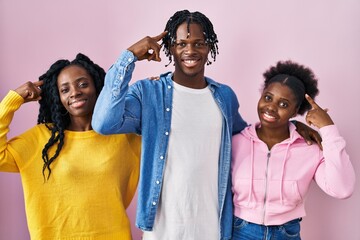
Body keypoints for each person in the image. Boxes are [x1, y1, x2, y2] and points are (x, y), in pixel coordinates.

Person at [92, 10, 320, 240]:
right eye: (181, 43)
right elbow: (104, 122)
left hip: (213, 228)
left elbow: (248, 135)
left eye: (198, 43)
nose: (190, 50)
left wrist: (292, 126)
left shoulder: (224, 97)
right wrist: (129, 56)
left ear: (209, 47)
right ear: (170, 47)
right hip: (163, 229)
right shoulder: (149, 94)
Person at [0, 53, 141, 240]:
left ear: (98, 87)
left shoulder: (125, 137)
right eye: (65, 90)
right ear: (57, 97)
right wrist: (12, 101)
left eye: (83, 84)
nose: (75, 92)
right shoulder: (41, 139)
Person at [231, 60, 356, 240]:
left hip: (286, 233)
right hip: (240, 231)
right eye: (268, 97)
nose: (271, 107)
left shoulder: (309, 148)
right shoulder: (236, 141)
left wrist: (328, 129)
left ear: (295, 110)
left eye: (283, 104)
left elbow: (342, 189)